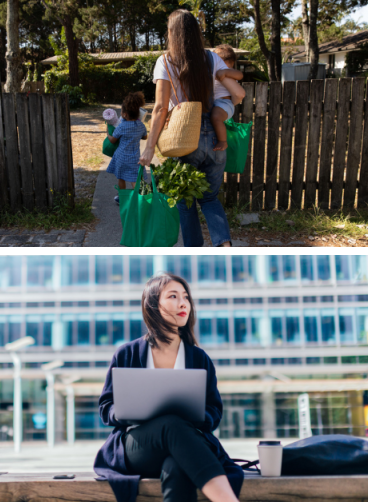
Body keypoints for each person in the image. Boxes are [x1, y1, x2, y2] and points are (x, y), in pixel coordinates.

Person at [93, 273, 242, 502]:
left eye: (185, 297)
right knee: (170, 424)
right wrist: (124, 411)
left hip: (185, 442)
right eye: (173, 296)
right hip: (138, 446)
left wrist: (196, 415)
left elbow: (214, 410)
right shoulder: (127, 353)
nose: (183, 303)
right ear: (153, 304)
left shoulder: (199, 358)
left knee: (176, 465)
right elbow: (106, 407)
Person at [140, 9, 244, 247]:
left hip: (186, 138)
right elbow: (232, 90)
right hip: (216, 137)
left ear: (171, 33)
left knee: (186, 202)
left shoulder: (165, 61)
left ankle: (194, 255)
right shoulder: (211, 57)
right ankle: (225, 247)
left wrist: (148, 148)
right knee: (209, 199)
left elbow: (159, 109)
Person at [106, 92, 148, 206]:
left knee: (121, 178)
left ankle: (122, 198)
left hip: (121, 157)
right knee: (134, 179)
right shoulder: (141, 126)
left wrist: (107, 133)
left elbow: (113, 140)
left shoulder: (122, 126)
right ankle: (139, 199)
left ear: (124, 114)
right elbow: (145, 137)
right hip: (135, 158)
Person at [210, 44, 245, 151]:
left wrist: (225, 72)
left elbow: (240, 75)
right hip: (215, 103)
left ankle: (223, 141)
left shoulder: (229, 72)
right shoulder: (213, 71)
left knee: (215, 117)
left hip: (223, 103)